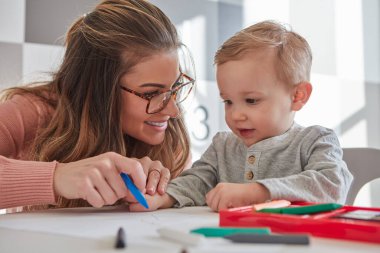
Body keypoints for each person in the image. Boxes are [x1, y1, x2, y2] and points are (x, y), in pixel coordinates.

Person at [129, 20, 353, 212]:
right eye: (228, 101)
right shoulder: (222, 146)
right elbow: (196, 181)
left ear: (298, 96)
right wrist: (164, 197)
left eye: (252, 101)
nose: (236, 115)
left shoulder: (315, 140)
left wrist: (258, 192)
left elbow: (332, 184)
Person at [0, 0, 195, 211]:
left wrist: (165, 192)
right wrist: (57, 178)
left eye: (175, 87)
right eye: (151, 93)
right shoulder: (34, 111)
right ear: (99, 89)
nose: (173, 111)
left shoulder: (170, 137)